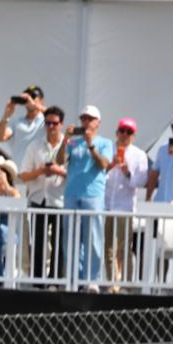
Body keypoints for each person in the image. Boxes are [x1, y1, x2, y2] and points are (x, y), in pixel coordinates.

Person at [63, 104, 113, 286]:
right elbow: (60, 160)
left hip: (93, 195)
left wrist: (91, 145)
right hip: (71, 194)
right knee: (70, 238)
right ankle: (73, 278)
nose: (85, 122)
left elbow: (103, 164)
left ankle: (92, 279)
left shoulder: (106, 143)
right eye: (83, 118)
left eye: (90, 119)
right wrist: (65, 140)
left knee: (93, 238)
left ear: (98, 122)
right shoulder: (73, 142)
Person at [19, 107, 68, 281]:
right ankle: (38, 280)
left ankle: (55, 279)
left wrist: (58, 171)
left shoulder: (69, 146)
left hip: (60, 201)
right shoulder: (34, 146)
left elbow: (75, 178)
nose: (51, 127)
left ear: (61, 124)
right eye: (47, 123)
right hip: (38, 199)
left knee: (59, 243)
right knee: (38, 242)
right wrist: (40, 171)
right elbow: (23, 175)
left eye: (55, 123)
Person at [104, 118, 150, 288]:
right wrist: (111, 165)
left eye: (129, 132)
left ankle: (126, 285)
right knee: (109, 249)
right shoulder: (107, 149)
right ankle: (112, 284)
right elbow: (98, 174)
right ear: (116, 132)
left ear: (134, 136)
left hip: (125, 207)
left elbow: (142, 180)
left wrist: (127, 172)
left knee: (124, 249)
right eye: (122, 131)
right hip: (106, 205)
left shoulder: (139, 154)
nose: (125, 135)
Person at [0, 85, 48, 166]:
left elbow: (55, 116)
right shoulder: (16, 121)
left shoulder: (47, 121)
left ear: (41, 101)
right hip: (19, 173)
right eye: (27, 98)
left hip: (38, 173)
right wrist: (6, 115)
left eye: (33, 97)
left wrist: (35, 106)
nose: (29, 100)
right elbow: (0, 137)